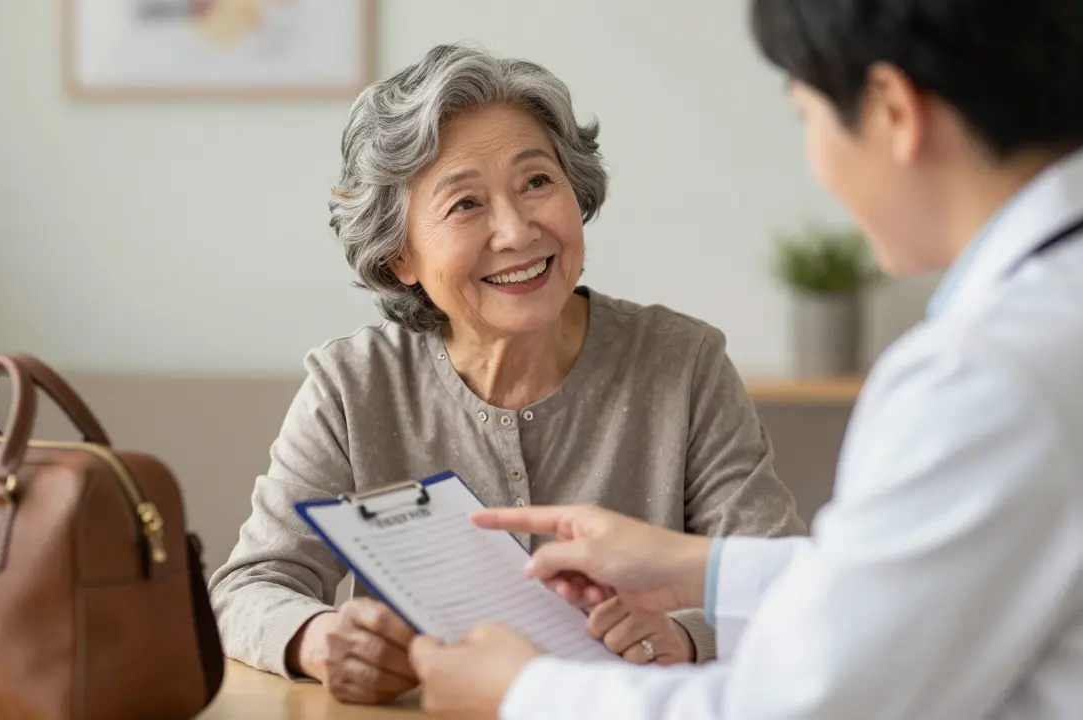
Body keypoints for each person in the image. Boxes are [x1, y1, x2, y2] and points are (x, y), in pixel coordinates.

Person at [406, 1, 1083, 718]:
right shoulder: (1042, 324)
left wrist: (524, 693)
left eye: (805, 114)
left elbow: (811, 706)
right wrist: (702, 568)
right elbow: (923, 577)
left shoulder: (985, 378)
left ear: (892, 109)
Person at [207, 43, 806, 705]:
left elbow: (781, 583)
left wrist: (683, 635)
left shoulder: (682, 362)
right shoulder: (353, 385)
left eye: (537, 183)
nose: (518, 231)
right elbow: (248, 587)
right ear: (399, 254)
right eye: (466, 205)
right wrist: (319, 639)